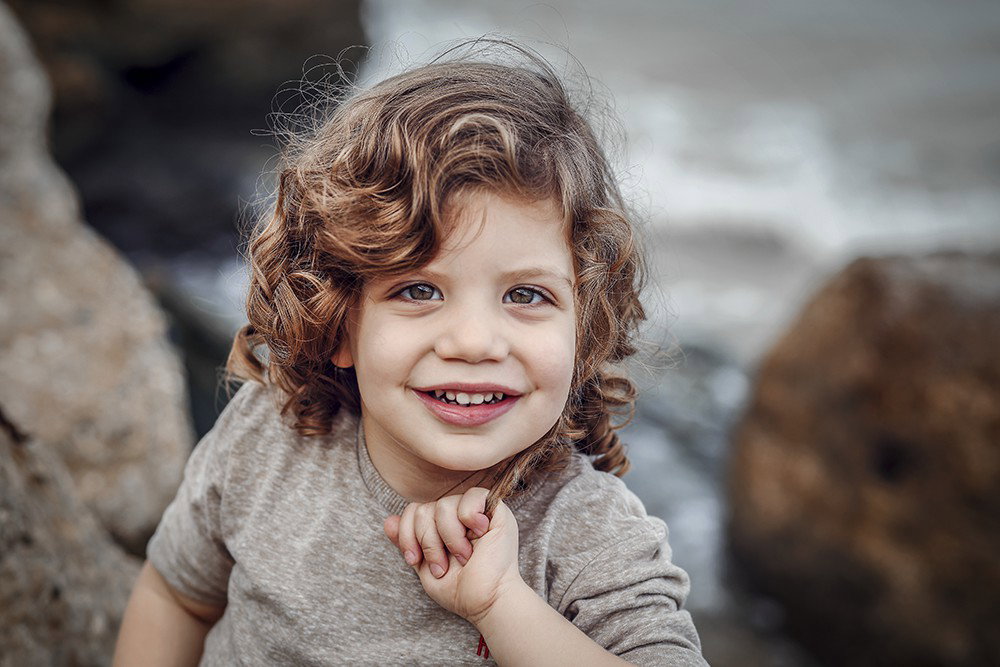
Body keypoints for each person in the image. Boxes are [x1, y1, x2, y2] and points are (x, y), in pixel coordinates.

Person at [113, 38, 708, 666]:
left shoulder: (589, 534)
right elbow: (176, 595)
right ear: (338, 323)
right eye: (419, 289)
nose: (474, 342)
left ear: (583, 332)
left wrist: (501, 603)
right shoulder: (268, 441)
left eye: (527, 294)